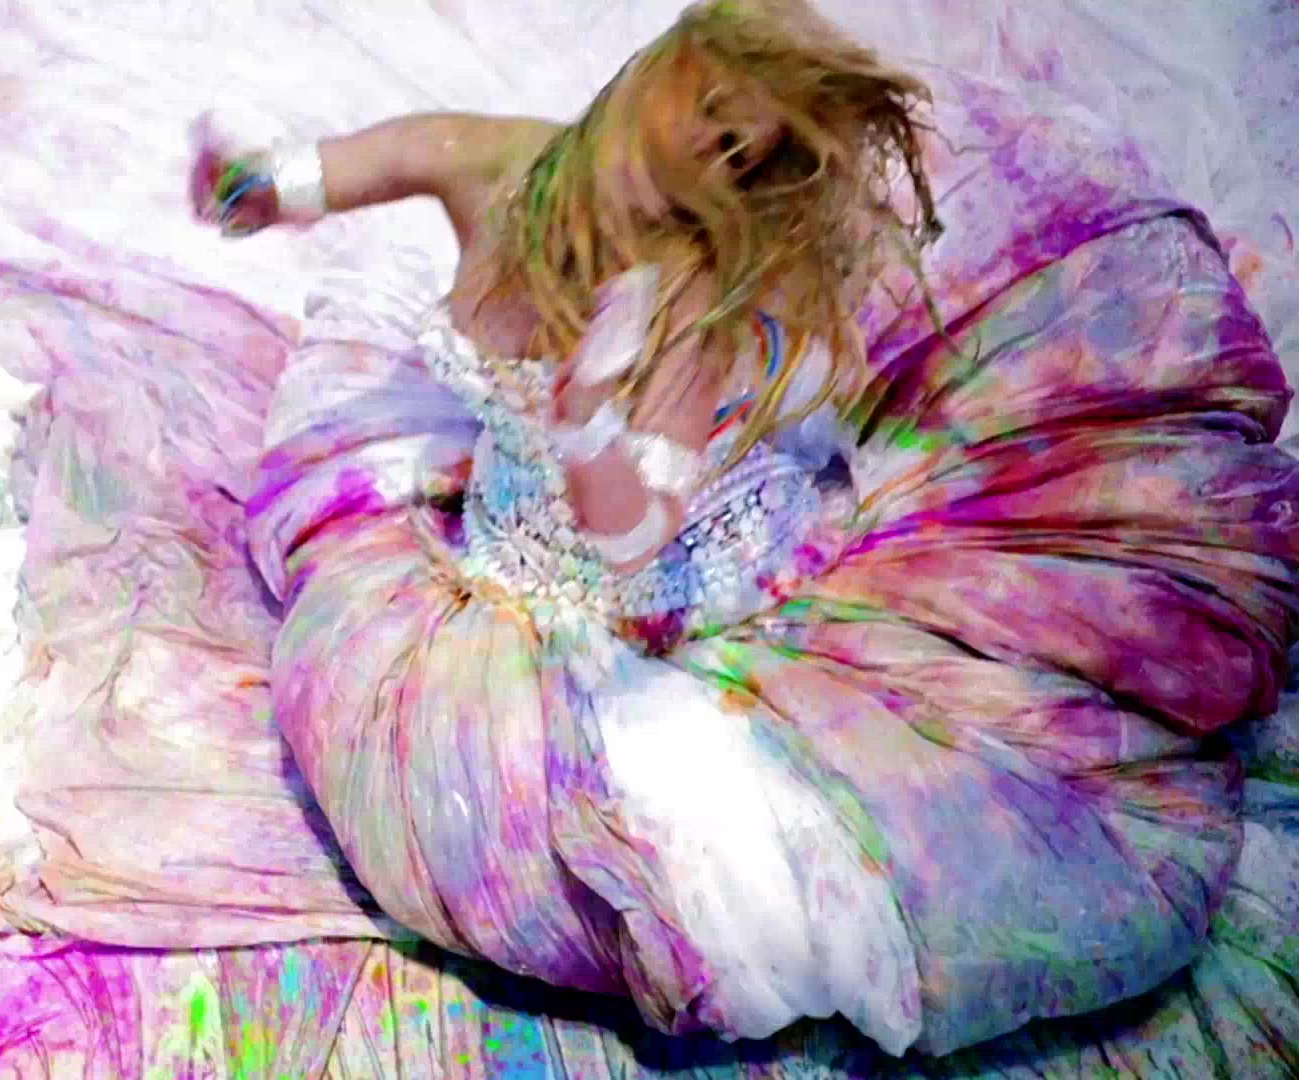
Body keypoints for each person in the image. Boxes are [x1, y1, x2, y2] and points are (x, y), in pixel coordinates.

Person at [191, 0, 1299, 1059]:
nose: (709, 152)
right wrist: (245, 181)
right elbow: (310, 179)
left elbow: (633, 552)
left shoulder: (684, 310)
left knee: (660, 854)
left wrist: (589, 433)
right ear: (656, 73)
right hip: (515, 530)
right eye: (710, 112)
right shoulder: (489, 158)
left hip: (645, 599)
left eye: (739, 149)